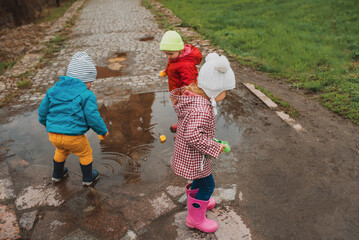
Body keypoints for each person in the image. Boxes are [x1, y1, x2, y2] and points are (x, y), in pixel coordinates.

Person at [170, 52, 235, 233]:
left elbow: (195, 132)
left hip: (191, 154)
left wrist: (210, 140)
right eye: (225, 91)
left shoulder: (197, 100)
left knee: (200, 182)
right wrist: (215, 146)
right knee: (208, 185)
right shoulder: (202, 110)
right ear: (215, 90)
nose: (226, 95)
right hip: (194, 157)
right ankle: (195, 218)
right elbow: (193, 136)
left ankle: (199, 202)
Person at [38, 52, 109, 186]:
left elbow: (43, 111)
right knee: (85, 153)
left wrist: (46, 124)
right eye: (90, 81)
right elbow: (93, 117)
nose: (91, 85)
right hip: (74, 137)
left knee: (61, 150)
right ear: (85, 80)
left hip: (54, 135)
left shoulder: (53, 91)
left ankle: (57, 175)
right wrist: (102, 131)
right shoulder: (86, 95)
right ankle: (88, 178)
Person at [159, 30, 203, 132]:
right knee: (180, 111)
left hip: (183, 93)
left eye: (170, 54)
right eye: (165, 54)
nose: (168, 56)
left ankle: (185, 130)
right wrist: (166, 71)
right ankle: (181, 123)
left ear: (180, 50)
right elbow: (171, 65)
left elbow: (189, 82)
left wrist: (185, 95)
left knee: (185, 111)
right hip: (176, 90)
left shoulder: (185, 64)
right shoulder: (175, 57)